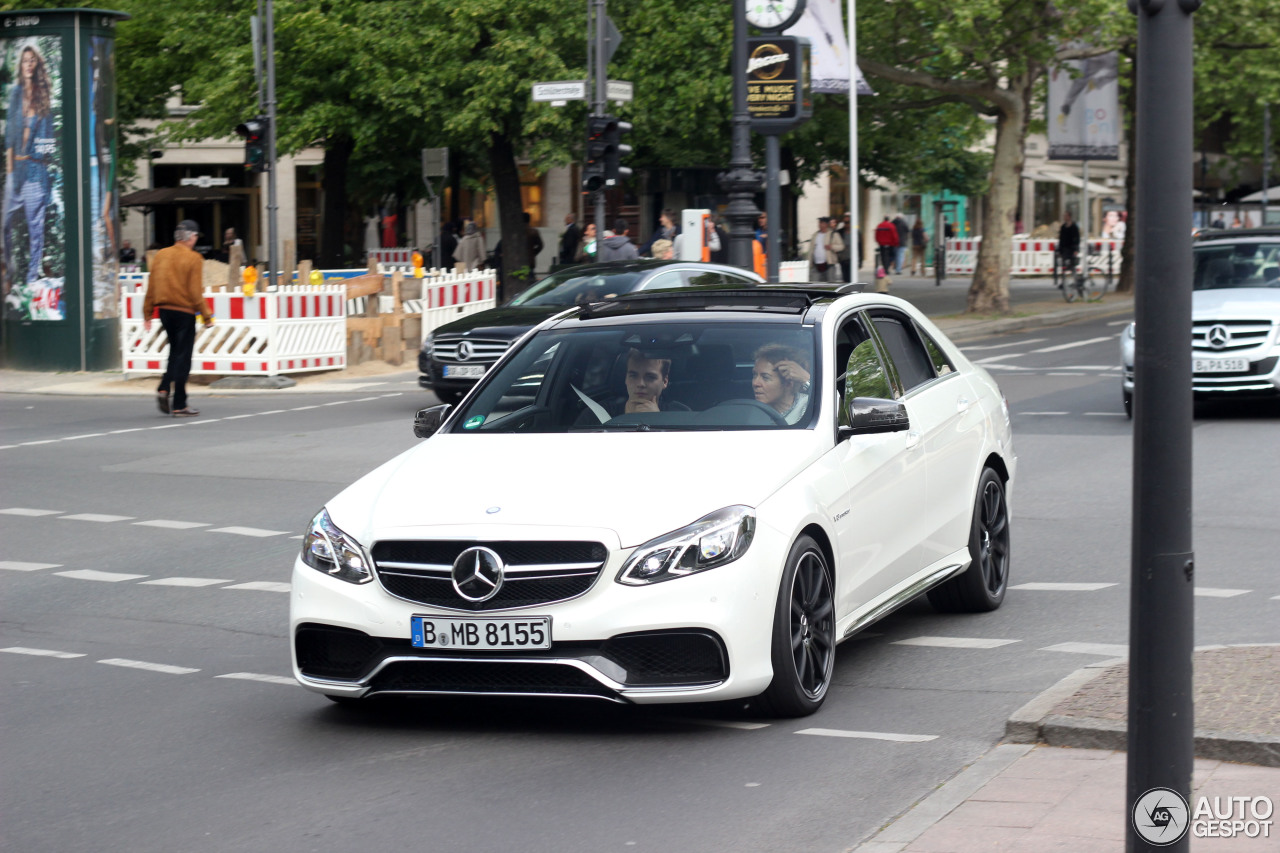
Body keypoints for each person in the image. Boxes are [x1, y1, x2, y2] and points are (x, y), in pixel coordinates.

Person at [3, 44, 55, 303]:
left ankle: (32, 277)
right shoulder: (15, 94)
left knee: (36, 227)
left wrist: (45, 174)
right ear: (20, 65)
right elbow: (9, 136)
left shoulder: (43, 95)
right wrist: (10, 170)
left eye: (32, 60)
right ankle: (9, 275)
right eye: (25, 60)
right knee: (5, 223)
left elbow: (49, 141)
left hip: (36, 168)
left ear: (37, 65)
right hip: (17, 167)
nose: (29, 64)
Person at [143, 220, 210, 417]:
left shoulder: (161, 255)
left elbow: (152, 286)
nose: (196, 240)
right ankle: (180, 404)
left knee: (174, 352)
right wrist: (207, 316)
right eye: (196, 237)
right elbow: (195, 292)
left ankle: (164, 388)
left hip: (164, 311)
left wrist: (147, 312)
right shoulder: (194, 258)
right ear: (191, 237)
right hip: (184, 312)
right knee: (183, 357)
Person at [752, 343, 811, 425]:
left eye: (765, 377)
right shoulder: (750, 412)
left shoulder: (808, 408)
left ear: (788, 383)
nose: (755, 383)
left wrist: (806, 379)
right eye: (754, 375)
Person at [808, 217, 844, 282]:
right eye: (819, 223)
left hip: (829, 264)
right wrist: (810, 262)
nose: (819, 225)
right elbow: (811, 250)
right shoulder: (815, 235)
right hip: (816, 265)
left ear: (826, 224)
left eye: (821, 223)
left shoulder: (833, 234)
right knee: (814, 283)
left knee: (830, 283)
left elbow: (841, 246)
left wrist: (832, 246)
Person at [1058, 210, 1081, 280]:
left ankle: (1075, 279)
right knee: (1064, 265)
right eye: (1064, 216)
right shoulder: (1063, 227)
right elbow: (1061, 239)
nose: (1064, 217)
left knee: (1072, 265)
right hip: (1065, 249)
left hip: (1072, 248)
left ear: (1069, 217)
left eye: (1066, 216)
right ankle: (1064, 281)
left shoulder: (1074, 227)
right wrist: (1060, 250)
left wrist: (1076, 249)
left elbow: (1077, 238)